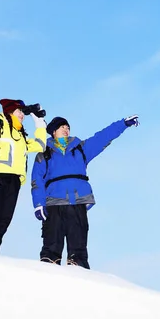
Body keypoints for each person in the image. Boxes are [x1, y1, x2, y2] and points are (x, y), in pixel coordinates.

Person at [31, 114, 139, 269]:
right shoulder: (44, 154)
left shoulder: (80, 149)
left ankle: (79, 270)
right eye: (62, 127)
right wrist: (39, 204)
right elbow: (37, 181)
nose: (66, 130)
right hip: (54, 203)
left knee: (78, 247)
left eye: (68, 127)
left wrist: (123, 124)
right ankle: (48, 269)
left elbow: (102, 138)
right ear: (53, 131)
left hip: (78, 201)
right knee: (51, 247)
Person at [0, 99, 47, 254]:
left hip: (14, 182)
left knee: (2, 224)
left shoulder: (21, 136)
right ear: (10, 111)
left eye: (23, 112)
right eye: (19, 111)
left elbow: (41, 145)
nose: (22, 115)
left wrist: (39, 123)